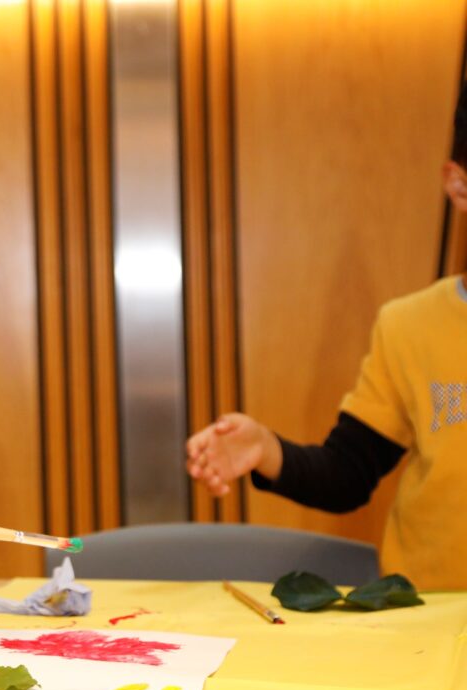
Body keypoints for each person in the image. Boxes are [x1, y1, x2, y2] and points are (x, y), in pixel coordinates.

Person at [185, 84, 467, 592]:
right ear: (459, 185)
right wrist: (267, 449)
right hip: (436, 620)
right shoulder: (408, 326)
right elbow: (348, 473)